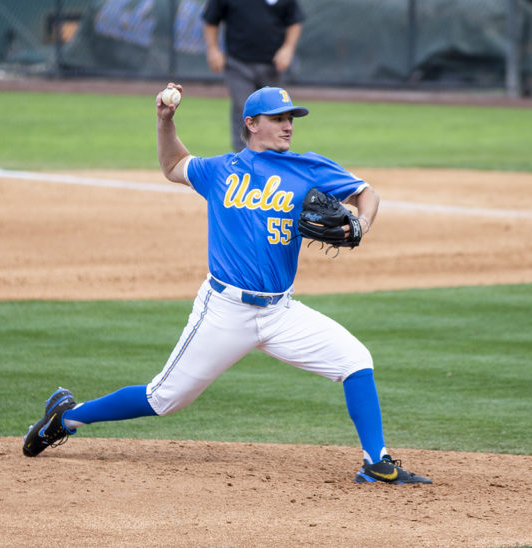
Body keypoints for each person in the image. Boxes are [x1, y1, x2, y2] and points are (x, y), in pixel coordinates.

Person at [22, 84, 432, 485]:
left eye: (292, 118)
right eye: (278, 118)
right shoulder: (220, 170)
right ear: (251, 123)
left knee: (355, 362)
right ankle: (67, 417)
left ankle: (375, 462)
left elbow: (365, 193)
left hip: (280, 312)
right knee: (163, 399)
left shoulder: (309, 167)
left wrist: (361, 222)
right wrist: (165, 123)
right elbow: (172, 166)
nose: (288, 125)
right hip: (224, 312)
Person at [201, 0, 304, 152]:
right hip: (238, 63)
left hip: (273, 64)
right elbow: (211, 19)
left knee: (276, 110)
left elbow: (294, 20)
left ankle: (275, 155)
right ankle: (243, 157)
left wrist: (288, 49)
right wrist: (212, 49)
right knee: (243, 109)